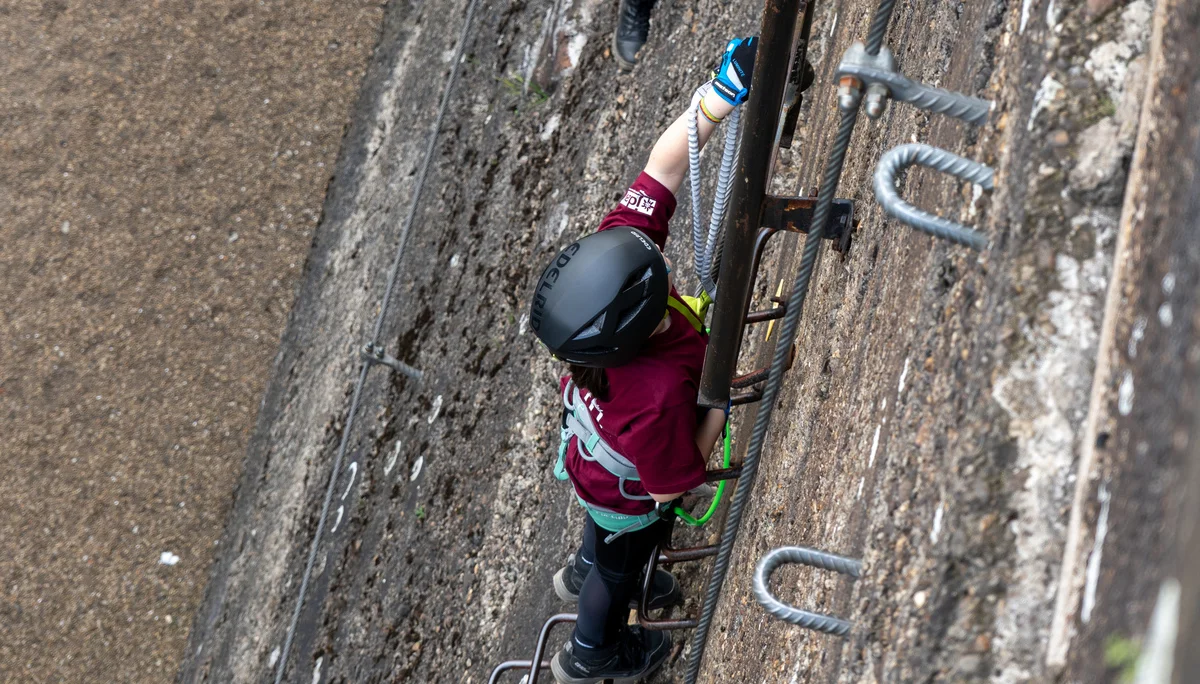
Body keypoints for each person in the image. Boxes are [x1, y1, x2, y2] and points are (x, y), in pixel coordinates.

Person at [528, 37, 759, 684]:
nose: (659, 264)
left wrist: (718, 98)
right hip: (626, 488)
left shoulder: (616, 258)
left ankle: (583, 567)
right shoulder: (655, 394)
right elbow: (667, 488)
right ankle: (592, 652)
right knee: (619, 564)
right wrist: (715, 404)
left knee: (603, 546)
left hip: (593, 453)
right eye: (660, 293)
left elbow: (663, 168)